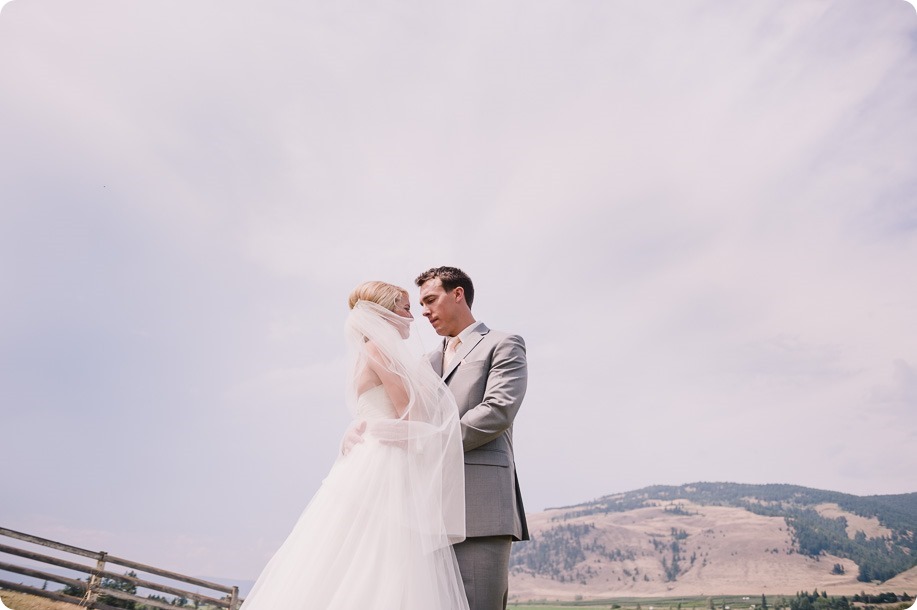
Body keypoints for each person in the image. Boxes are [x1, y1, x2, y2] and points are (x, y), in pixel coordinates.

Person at [240, 281, 470, 610]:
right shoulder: (380, 350)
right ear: (384, 314)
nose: (411, 316)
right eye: (405, 308)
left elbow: (372, 412)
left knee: (347, 556)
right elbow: (411, 417)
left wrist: (363, 427)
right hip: (385, 464)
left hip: (365, 461)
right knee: (384, 560)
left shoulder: (365, 352)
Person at [415, 266, 529, 610]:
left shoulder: (503, 344)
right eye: (420, 304)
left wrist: (432, 443)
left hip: (480, 509)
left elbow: (498, 410)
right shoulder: (425, 362)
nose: (424, 311)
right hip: (428, 513)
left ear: (458, 294)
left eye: (431, 300)